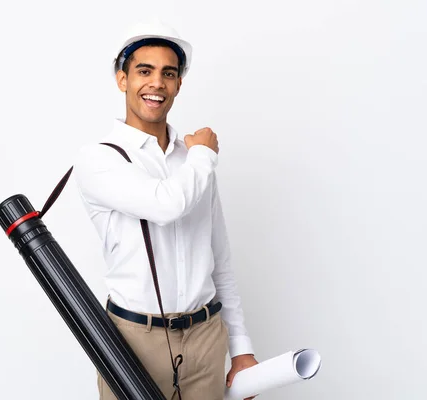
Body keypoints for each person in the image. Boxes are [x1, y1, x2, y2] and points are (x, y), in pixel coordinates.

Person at [73, 20, 258, 400]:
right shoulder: (98, 159)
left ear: (178, 85)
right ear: (122, 79)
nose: (157, 83)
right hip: (131, 343)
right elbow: (165, 205)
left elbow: (219, 258)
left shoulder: (192, 162)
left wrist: (242, 349)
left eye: (168, 74)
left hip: (206, 339)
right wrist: (204, 154)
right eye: (144, 71)